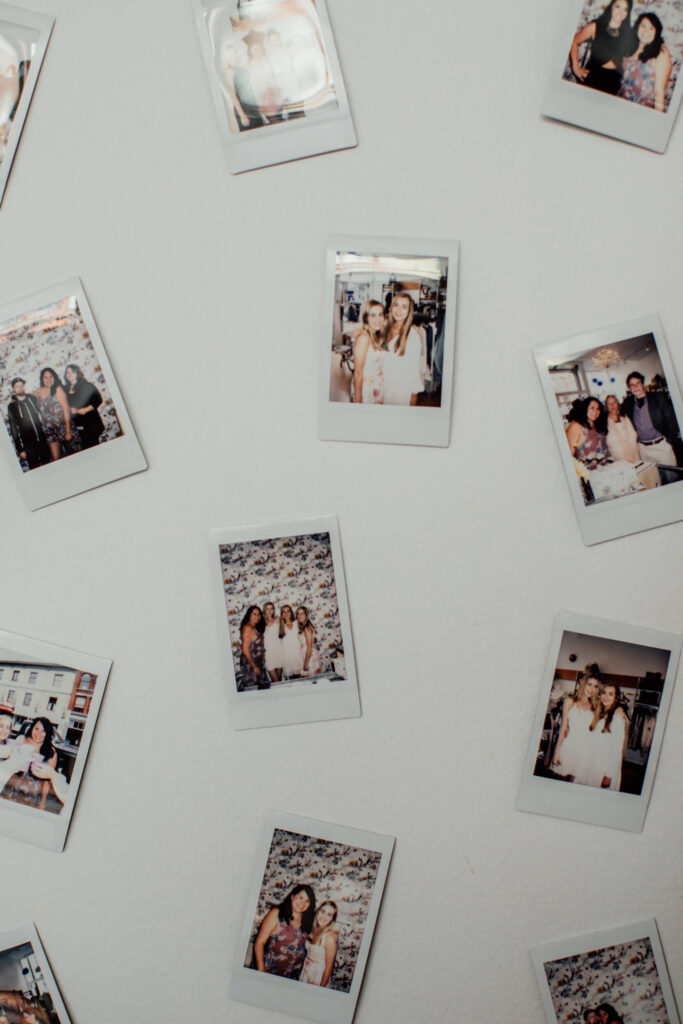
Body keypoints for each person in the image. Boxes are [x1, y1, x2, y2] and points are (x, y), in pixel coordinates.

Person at [569, 0, 635, 95]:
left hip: (613, 82)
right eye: (618, 7)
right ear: (611, 7)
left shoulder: (628, 34)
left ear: (627, 13)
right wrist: (576, 67)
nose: (620, 12)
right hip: (593, 78)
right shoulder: (596, 26)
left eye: (625, 9)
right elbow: (574, 41)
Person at [253, 883, 316, 979]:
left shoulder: (308, 921)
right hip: (270, 972)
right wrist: (261, 970)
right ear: (292, 897)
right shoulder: (277, 913)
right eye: (300, 898)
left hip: (292, 976)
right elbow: (259, 942)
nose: (303, 903)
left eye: (307, 901)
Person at [551, 667, 601, 785]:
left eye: (595, 686)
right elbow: (564, 728)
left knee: (574, 785)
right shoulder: (570, 702)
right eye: (589, 684)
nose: (592, 689)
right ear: (583, 684)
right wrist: (556, 752)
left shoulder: (596, 707)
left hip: (585, 751)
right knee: (559, 784)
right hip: (569, 747)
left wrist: (620, 709)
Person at [621, 371, 679, 467]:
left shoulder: (657, 397)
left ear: (642, 384)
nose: (635, 387)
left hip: (662, 446)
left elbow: (672, 419)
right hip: (643, 450)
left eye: (638, 383)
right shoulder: (628, 403)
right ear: (629, 388)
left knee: (671, 476)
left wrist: (670, 441)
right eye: (632, 385)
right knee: (652, 479)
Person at [0, 717, 58, 810]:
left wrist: (42, 803)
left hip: (32, 793)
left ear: (47, 733)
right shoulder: (21, 740)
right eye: (36, 728)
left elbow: (48, 781)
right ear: (32, 728)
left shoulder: (51, 752)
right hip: (11, 786)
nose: (39, 734)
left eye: (43, 731)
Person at [619, 13, 672, 112]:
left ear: (656, 32)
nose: (646, 31)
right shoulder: (630, 47)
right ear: (637, 27)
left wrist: (656, 120)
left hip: (642, 110)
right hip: (620, 103)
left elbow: (659, 92)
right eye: (643, 26)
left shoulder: (661, 52)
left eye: (651, 28)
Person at [380, 292, 424, 406]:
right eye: (396, 305)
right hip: (383, 386)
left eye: (404, 307)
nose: (399, 310)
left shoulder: (413, 335)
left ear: (409, 311)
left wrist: (413, 397)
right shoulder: (385, 328)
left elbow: (415, 370)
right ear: (391, 306)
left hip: (400, 390)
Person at [589, 684, 629, 790]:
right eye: (604, 693)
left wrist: (608, 775)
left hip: (606, 767)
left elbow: (616, 749)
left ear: (616, 698)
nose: (606, 697)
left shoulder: (617, 718)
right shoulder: (601, 713)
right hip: (595, 762)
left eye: (611, 694)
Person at [34, 367, 78, 461]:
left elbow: (66, 411)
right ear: (42, 379)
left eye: (51, 377)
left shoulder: (58, 389)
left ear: (55, 378)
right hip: (50, 431)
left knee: (75, 457)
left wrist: (68, 432)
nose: (49, 380)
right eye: (46, 377)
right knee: (56, 460)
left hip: (64, 428)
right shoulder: (38, 391)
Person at [6, 377, 51, 469]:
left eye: (21, 385)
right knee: (35, 470)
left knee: (49, 466)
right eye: (17, 386)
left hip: (42, 440)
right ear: (13, 389)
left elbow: (43, 414)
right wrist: (20, 449)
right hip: (29, 445)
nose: (20, 388)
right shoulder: (12, 406)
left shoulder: (32, 398)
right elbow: (13, 429)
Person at [64, 364, 104, 449]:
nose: (70, 374)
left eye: (72, 372)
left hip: (91, 423)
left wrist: (85, 409)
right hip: (80, 425)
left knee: (93, 447)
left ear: (77, 373)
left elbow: (98, 399)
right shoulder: (66, 389)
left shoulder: (86, 385)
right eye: (67, 373)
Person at [565, 397, 611, 471]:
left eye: (598, 409)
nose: (595, 411)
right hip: (587, 473)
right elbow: (568, 455)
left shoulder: (598, 426)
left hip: (604, 469)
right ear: (585, 408)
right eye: (592, 408)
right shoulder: (576, 426)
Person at [353, 300, 385, 404]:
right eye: (373, 315)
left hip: (377, 386)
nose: (378, 319)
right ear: (366, 318)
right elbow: (358, 373)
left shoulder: (377, 334)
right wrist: (358, 401)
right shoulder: (364, 338)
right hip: (366, 389)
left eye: (380, 314)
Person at [301, 900, 338, 986]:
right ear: (318, 911)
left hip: (318, 978)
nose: (324, 916)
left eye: (329, 914)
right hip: (306, 973)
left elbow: (329, 969)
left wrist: (320, 990)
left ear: (332, 918)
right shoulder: (313, 930)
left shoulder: (329, 938)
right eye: (323, 911)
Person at [604, 393, 639, 463]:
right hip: (618, 459)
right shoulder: (604, 422)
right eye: (609, 403)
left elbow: (633, 435)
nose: (612, 405)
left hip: (634, 455)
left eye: (614, 402)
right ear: (606, 406)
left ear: (618, 403)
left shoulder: (625, 417)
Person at [239, 605, 267, 690]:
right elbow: (245, 649)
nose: (257, 616)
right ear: (249, 615)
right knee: (252, 691)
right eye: (254, 614)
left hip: (257, 664)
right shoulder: (248, 628)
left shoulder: (253, 627)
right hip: (250, 666)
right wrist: (254, 666)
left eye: (259, 614)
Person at [296, 606, 322, 677]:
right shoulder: (303, 626)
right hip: (306, 655)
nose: (299, 616)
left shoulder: (307, 628)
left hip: (310, 657)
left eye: (302, 613)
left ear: (306, 615)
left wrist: (306, 664)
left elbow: (309, 647)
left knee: (311, 680)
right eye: (298, 614)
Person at [279, 604, 303, 678]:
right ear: (281, 614)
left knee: (301, 677)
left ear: (291, 613)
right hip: (287, 656)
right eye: (284, 612)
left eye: (288, 611)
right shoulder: (280, 626)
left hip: (298, 654)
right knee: (292, 679)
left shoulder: (297, 623)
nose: (286, 614)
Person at [262, 601, 283, 682]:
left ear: (274, 610)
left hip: (278, 649)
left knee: (279, 679)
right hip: (268, 652)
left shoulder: (277, 620)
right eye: (267, 609)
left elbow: (283, 633)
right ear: (264, 610)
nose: (269, 611)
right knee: (275, 680)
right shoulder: (261, 622)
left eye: (271, 609)